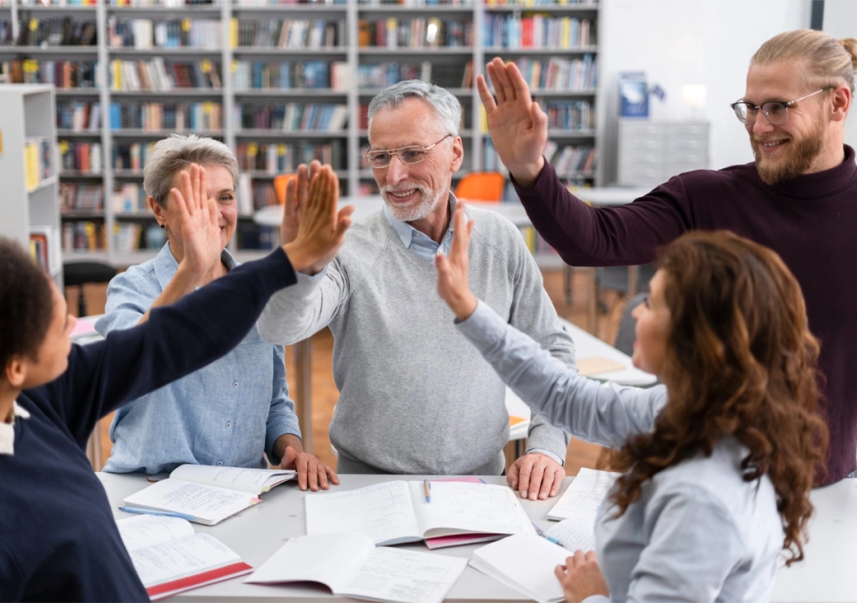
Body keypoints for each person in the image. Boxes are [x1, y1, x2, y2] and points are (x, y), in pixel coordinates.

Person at [478, 29, 857, 483]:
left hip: (832, 491)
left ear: (838, 103)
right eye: (750, 109)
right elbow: (590, 240)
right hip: (706, 486)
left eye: (777, 107)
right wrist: (528, 169)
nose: (758, 127)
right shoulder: (708, 197)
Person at [0, 165, 351, 602]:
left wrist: (285, 262)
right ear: (14, 367)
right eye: (55, 326)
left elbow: (161, 342)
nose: (74, 323)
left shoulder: (35, 400)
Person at [435, 207, 828, 603]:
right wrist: (471, 311)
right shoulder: (691, 410)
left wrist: (590, 593)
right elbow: (567, 398)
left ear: (697, 337)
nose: (635, 311)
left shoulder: (702, 498)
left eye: (653, 303)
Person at [256, 80, 575, 500]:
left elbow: (552, 349)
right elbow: (281, 328)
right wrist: (300, 265)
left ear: (454, 153)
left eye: (412, 153)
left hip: (481, 483)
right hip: (366, 485)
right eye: (381, 156)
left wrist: (548, 447)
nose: (394, 175)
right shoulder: (347, 246)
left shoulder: (499, 239)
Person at [95, 135, 335, 491]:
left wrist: (293, 452)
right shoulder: (131, 288)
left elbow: (275, 403)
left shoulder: (258, 289)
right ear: (158, 210)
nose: (215, 213)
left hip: (242, 492)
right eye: (195, 201)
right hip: (149, 490)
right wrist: (192, 268)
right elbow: (128, 364)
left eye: (225, 197)